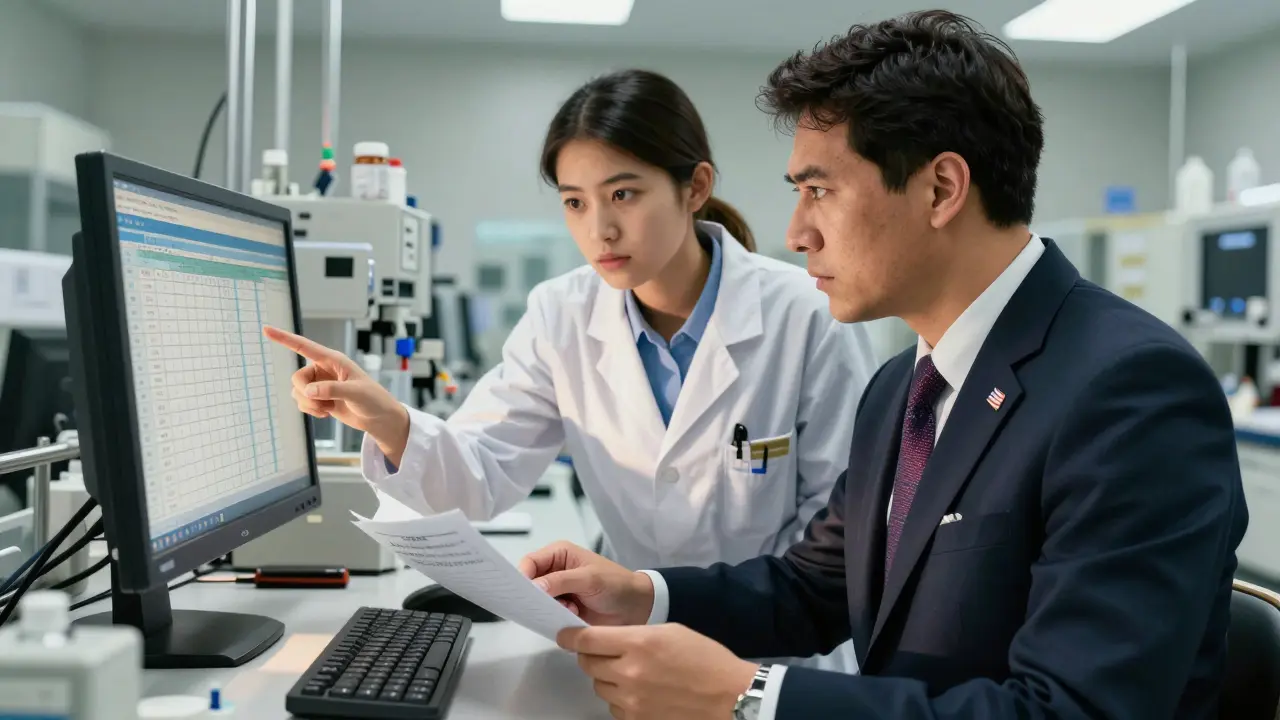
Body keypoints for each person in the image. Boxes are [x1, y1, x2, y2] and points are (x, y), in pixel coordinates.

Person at [518, 11, 1248, 720]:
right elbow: (813, 588)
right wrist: (643, 594)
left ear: (940, 189)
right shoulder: (903, 388)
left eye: (819, 191)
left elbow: (1072, 709)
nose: (797, 232)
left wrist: (747, 697)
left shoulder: (1130, 391)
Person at [266, 68, 877, 674]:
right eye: (574, 203)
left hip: (773, 660)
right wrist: (389, 419)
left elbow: (829, 547)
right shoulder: (560, 313)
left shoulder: (807, 315)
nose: (599, 230)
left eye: (623, 195)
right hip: (628, 647)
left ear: (694, 187)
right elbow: (483, 472)